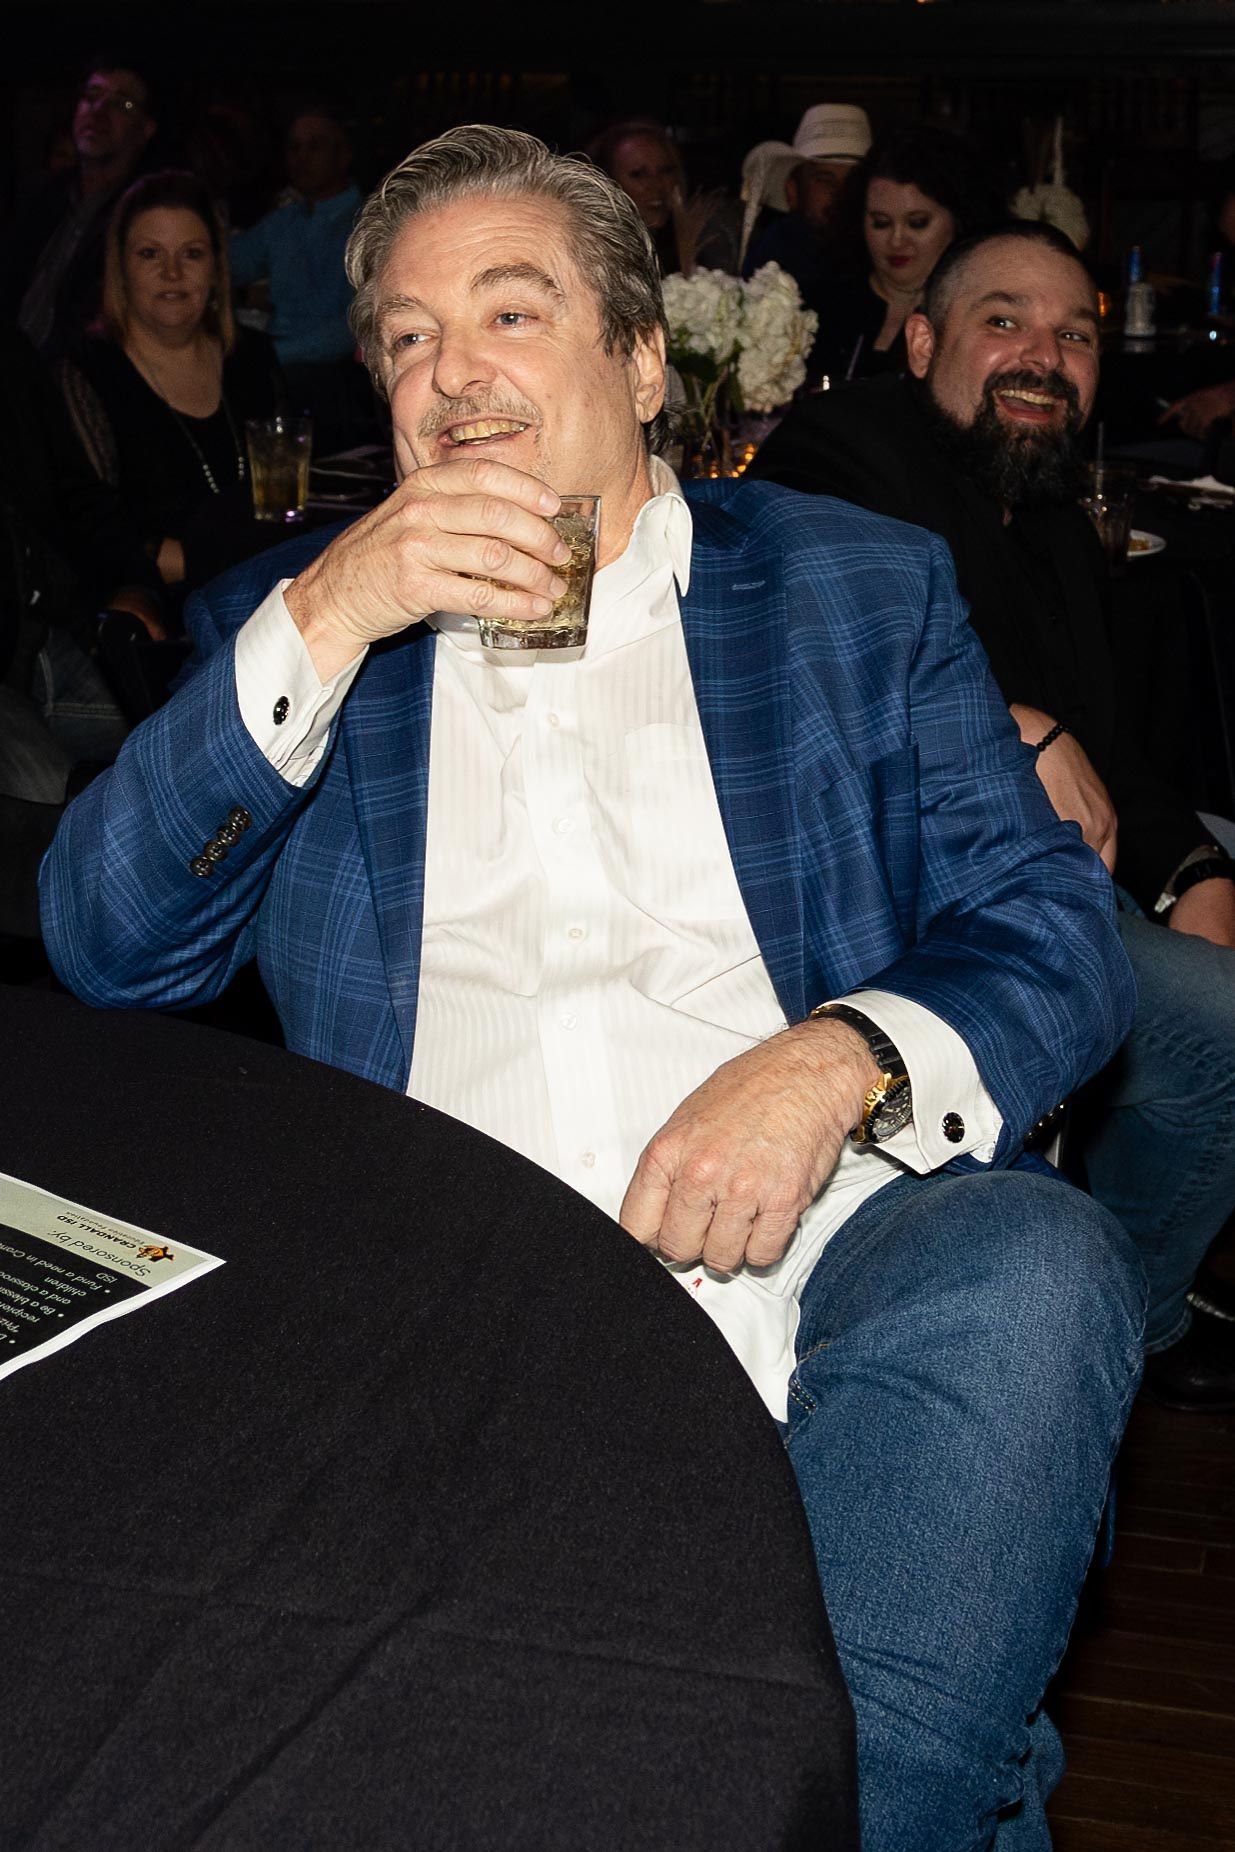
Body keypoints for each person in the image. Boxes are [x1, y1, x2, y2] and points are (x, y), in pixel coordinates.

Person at [42, 125, 1143, 1850]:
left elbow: (1051, 927)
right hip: (450, 1308)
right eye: (406, 339)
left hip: (828, 1258)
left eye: (506, 313)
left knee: (1037, 1263)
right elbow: (107, 943)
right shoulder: (302, 634)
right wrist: (334, 613)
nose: (451, 374)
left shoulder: (844, 590)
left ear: (642, 362)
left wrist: (838, 1057)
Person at [750, 218, 1235, 1409]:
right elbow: (795, 620)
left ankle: (1104, 1293)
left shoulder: (1053, 517)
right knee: (1220, 1029)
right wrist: (1016, 722)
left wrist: (1191, 872)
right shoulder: (842, 448)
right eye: (1001, 320)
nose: (1041, 353)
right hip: (921, 882)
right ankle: (1131, 1325)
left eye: (1072, 335)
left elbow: (1114, 741)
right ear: (919, 343)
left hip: (1051, 866)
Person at [63, 170, 283, 625]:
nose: (172, 273)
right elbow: (92, 529)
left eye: (192, 254)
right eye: (150, 254)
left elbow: (287, 492)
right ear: (120, 267)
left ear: (216, 267)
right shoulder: (86, 372)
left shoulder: (253, 358)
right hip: (158, 603)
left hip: (270, 587)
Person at [814, 121, 1006, 384]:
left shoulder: (977, 316)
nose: (896, 240)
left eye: (917, 223)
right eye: (881, 223)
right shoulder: (820, 308)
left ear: (959, 221)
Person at [228, 103, 368, 448]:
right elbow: (227, 265)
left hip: (333, 379)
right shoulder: (284, 221)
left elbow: (351, 329)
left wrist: (271, 356)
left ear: (343, 154)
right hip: (279, 368)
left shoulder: (367, 223)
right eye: (294, 147)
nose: (301, 158)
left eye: (315, 146)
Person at [6, 52, 158, 362]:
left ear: (145, 129)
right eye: (92, 96)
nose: (98, 111)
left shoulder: (143, 216)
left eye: (122, 104)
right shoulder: (41, 196)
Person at [587, 117, 740, 275]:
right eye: (639, 174)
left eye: (666, 171)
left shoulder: (703, 243)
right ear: (608, 181)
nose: (658, 185)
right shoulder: (590, 254)